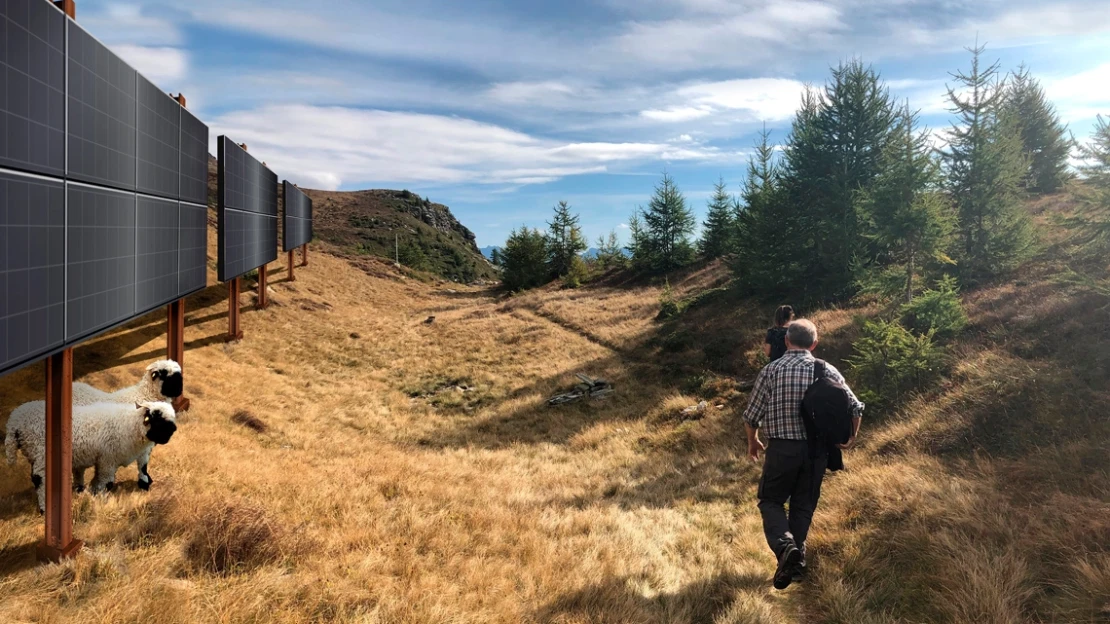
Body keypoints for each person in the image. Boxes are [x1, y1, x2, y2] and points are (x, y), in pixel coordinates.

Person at [743, 319, 864, 590]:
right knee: (802, 505)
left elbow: (751, 415)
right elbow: (856, 408)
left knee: (771, 500)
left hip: (782, 450)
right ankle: (795, 563)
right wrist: (851, 438)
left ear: (786, 340)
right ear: (814, 344)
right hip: (816, 452)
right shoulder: (827, 369)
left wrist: (753, 441)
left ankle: (786, 549)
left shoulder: (771, 371)